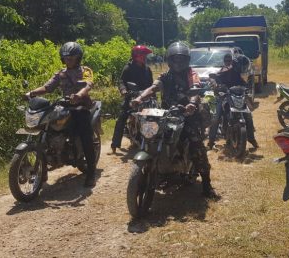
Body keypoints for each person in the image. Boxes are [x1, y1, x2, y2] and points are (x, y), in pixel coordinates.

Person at [131, 41, 219, 198]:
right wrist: (139, 98)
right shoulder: (165, 75)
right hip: (166, 114)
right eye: (175, 59)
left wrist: (192, 103)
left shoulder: (191, 74)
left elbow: (195, 89)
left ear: (186, 60)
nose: (178, 63)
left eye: (181, 59)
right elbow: (153, 87)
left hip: (187, 115)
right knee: (148, 134)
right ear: (169, 60)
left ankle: (207, 184)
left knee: (195, 144)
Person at [25, 42, 98, 187]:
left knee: (85, 136)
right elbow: (47, 87)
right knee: (48, 130)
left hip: (81, 106)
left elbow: (88, 85)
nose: (69, 60)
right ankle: (43, 171)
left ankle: (91, 173)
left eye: (72, 58)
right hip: (64, 106)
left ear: (78, 58)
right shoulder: (61, 73)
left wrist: (78, 95)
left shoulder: (85, 70)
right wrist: (31, 93)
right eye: (66, 58)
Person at [207, 54, 259, 151]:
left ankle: (252, 139)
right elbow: (214, 77)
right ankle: (210, 142)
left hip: (238, 96)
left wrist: (247, 88)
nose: (242, 69)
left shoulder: (242, 75)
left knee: (248, 115)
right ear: (236, 66)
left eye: (244, 67)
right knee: (216, 117)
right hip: (225, 96)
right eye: (241, 67)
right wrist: (215, 84)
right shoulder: (225, 71)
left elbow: (244, 84)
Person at [111, 45, 154, 154]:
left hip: (145, 97)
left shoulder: (147, 69)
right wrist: (124, 91)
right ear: (136, 56)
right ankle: (115, 144)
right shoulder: (128, 68)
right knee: (122, 117)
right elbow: (122, 82)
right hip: (131, 96)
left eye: (145, 55)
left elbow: (151, 85)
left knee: (155, 116)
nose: (145, 57)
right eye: (142, 55)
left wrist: (152, 93)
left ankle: (152, 141)